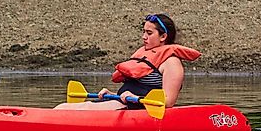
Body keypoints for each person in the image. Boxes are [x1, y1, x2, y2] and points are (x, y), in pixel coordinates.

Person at [55, 13, 200, 110]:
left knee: (84, 109)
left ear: (163, 37)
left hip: (140, 110)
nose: (144, 37)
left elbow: (168, 102)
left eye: (149, 33)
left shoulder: (171, 63)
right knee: (62, 107)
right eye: (143, 32)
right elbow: (132, 88)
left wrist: (135, 98)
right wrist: (111, 93)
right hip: (122, 103)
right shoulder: (143, 55)